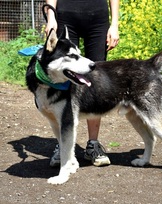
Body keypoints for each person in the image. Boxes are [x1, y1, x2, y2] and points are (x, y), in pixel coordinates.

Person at [45, 0, 119, 167]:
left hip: (98, 18)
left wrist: (114, 24)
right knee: (65, 78)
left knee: (96, 78)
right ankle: (63, 144)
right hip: (66, 15)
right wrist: (51, 16)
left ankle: (93, 144)